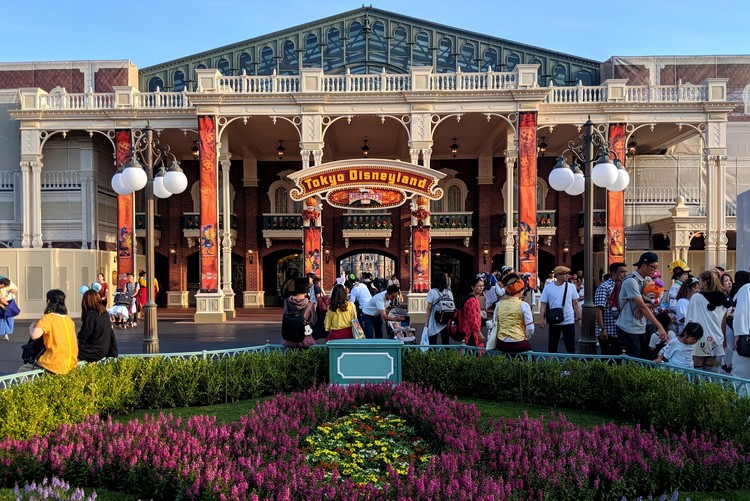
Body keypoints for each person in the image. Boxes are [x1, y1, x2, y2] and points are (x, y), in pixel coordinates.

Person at [615, 252, 668, 358]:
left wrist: (644, 306)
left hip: (642, 326)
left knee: (642, 359)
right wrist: (660, 326)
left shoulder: (648, 280)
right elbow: (642, 305)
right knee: (633, 361)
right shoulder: (631, 281)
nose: (655, 270)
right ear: (644, 265)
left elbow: (655, 302)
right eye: (654, 267)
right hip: (628, 327)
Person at [20, 289, 78, 374]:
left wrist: (31, 327)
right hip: (70, 362)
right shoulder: (69, 319)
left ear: (49, 301)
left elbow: (34, 335)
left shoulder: (48, 318)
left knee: (22, 372)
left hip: (54, 362)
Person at [687, 270, 731, 371]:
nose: (699, 283)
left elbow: (690, 317)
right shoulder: (724, 299)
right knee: (709, 372)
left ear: (705, 282)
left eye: (700, 281)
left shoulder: (697, 297)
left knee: (697, 371)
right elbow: (724, 319)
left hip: (699, 338)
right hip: (716, 338)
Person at [539, 265, 580, 353]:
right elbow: (543, 304)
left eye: (568, 274)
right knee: (552, 346)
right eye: (565, 274)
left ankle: (572, 365)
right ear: (558, 276)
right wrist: (542, 319)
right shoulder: (548, 287)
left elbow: (576, 303)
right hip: (554, 320)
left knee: (570, 347)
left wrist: (579, 318)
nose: (567, 276)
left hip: (568, 320)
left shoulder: (571, 287)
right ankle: (552, 365)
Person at [490, 273, 534, 353]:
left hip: (501, 343)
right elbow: (530, 328)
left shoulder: (499, 304)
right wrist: (525, 337)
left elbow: (494, 323)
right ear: (520, 291)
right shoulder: (524, 305)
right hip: (518, 343)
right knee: (530, 356)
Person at [594, 262, 628, 356]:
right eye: (622, 272)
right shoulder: (604, 287)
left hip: (619, 329)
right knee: (608, 357)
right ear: (613, 273)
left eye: (626, 272)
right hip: (608, 330)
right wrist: (602, 329)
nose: (625, 274)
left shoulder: (623, 285)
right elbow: (598, 309)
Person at [78, 289, 118, 362]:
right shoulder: (104, 313)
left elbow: (84, 335)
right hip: (105, 349)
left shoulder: (91, 316)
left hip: (93, 351)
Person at [282, 277, 317, 349]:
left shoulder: (287, 301)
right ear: (307, 289)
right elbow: (313, 321)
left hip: (288, 339)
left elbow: (285, 316)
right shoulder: (310, 304)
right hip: (304, 339)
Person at [424, 273, 454, 345]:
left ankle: (433, 355)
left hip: (435, 319)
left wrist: (426, 322)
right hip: (446, 319)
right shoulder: (449, 292)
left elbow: (429, 308)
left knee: (432, 340)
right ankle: (446, 355)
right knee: (446, 340)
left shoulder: (432, 292)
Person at [731, 271, 750, 379]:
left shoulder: (746, 288)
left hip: (746, 335)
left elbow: (741, 312)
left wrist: (738, 334)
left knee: (741, 375)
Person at [458, 276, 486, 348]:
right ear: (472, 287)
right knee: (472, 353)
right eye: (479, 286)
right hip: (471, 332)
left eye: (482, 286)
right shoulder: (472, 300)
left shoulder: (475, 298)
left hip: (472, 331)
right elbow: (473, 318)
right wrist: (479, 333)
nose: (481, 288)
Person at [721, 273, 735, 373]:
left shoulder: (732, 296)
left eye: (730, 280)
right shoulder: (721, 297)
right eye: (726, 281)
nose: (729, 282)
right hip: (725, 328)